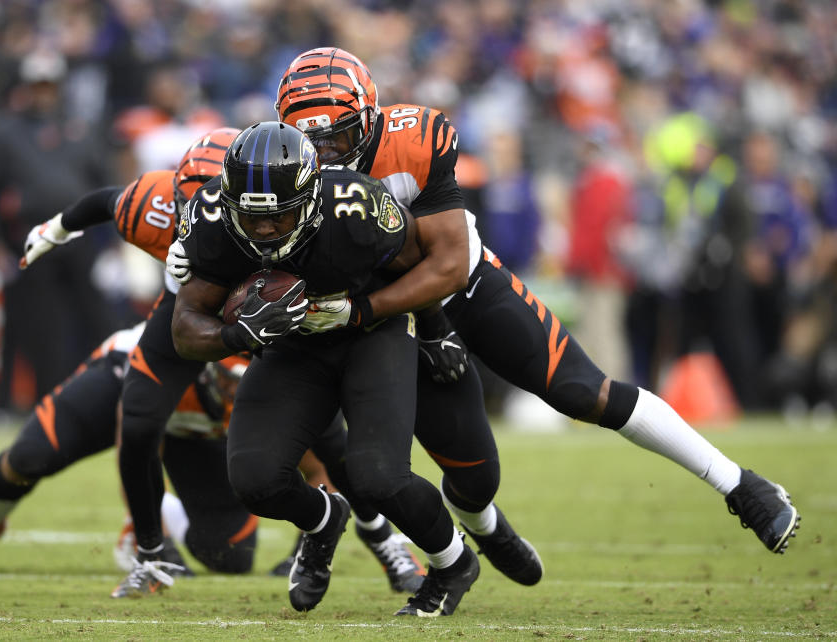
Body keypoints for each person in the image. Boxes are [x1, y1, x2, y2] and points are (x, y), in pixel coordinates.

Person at [273, 47, 800, 557]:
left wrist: (361, 310)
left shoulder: (414, 138)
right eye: (309, 140)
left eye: (339, 135)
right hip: (383, 327)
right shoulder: (279, 166)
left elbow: (450, 264)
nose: (326, 155)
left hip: (460, 290)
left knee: (584, 392)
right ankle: (478, 534)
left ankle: (741, 485)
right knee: (452, 473)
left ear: (368, 117)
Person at [20, 127, 424, 596]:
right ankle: (151, 557)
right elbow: (103, 203)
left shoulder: (277, 213)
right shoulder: (153, 208)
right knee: (138, 416)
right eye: (191, 209)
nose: (201, 221)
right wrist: (54, 231)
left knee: (328, 433)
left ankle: (383, 538)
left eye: (212, 208)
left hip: (273, 305)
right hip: (194, 311)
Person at [171, 121, 479, 616]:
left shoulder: (356, 207)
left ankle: (453, 563)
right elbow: (185, 328)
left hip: (370, 333)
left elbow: (421, 266)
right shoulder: (211, 219)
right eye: (251, 218)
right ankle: (322, 519)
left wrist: (417, 321)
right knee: (255, 478)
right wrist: (239, 335)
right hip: (292, 347)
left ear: (311, 198)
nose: (266, 229)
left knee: (378, 478)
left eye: (280, 215)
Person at [0, 321, 257, 593]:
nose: (236, 391)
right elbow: (136, 439)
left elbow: (298, 448)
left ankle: (158, 507)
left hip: (195, 429)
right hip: (129, 380)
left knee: (232, 554)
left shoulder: (275, 369)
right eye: (231, 381)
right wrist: (154, 536)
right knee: (29, 458)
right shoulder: (186, 358)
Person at [0, 49, 118, 412]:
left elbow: (107, 183)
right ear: (27, 87)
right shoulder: (7, 132)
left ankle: (107, 397)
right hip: (33, 237)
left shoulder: (81, 128)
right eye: (37, 85)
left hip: (82, 238)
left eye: (49, 85)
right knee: (41, 328)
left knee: (97, 321)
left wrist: (117, 240)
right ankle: (49, 404)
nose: (43, 93)